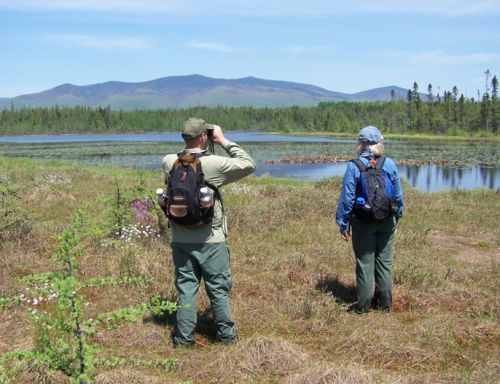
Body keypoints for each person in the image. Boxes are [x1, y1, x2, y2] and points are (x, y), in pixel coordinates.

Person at [162, 117, 256, 347]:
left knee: (186, 290)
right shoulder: (213, 163)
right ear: (204, 136)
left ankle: (183, 340)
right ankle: (226, 338)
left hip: (181, 239)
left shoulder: (168, 161)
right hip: (211, 241)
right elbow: (248, 163)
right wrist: (222, 139)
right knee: (218, 290)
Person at [335, 126, 404, 313]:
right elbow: (398, 196)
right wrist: (397, 217)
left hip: (363, 222)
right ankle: (384, 305)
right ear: (378, 143)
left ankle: (363, 307)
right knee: (384, 262)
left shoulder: (354, 166)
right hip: (387, 220)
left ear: (361, 144)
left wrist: (343, 224)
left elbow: (347, 199)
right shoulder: (389, 164)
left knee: (365, 263)